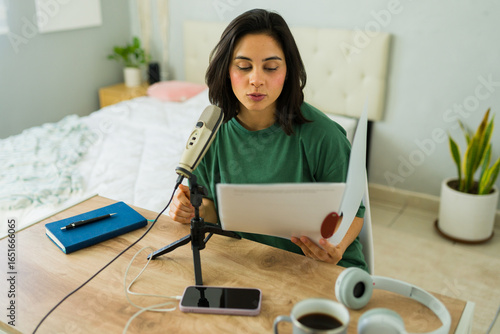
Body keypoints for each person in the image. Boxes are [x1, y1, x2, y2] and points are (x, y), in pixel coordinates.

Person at [169, 8, 368, 272]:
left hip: (322, 268)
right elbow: (217, 209)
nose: (256, 80)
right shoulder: (211, 133)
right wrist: (193, 210)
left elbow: (354, 210)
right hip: (252, 264)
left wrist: (337, 247)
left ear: (287, 72)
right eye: (243, 67)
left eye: (271, 67)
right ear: (227, 71)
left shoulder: (323, 136)